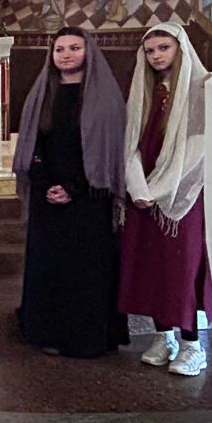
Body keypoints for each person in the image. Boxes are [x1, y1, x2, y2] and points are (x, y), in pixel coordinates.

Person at [12, 27, 129, 358]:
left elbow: (109, 151)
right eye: (60, 49)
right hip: (47, 195)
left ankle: (86, 338)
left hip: (90, 198)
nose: (66, 54)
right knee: (49, 267)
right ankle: (47, 332)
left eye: (74, 47)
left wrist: (74, 187)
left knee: (86, 272)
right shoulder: (42, 94)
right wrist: (47, 183)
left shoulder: (106, 98)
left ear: (88, 51)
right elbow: (33, 145)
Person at [117, 23, 212, 377]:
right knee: (151, 265)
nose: (156, 56)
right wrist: (138, 188)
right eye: (150, 50)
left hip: (182, 195)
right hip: (144, 195)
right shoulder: (146, 92)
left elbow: (199, 150)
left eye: (164, 48)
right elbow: (130, 143)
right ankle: (164, 337)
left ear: (180, 49)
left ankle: (192, 345)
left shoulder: (202, 90)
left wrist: (159, 189)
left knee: (182, 267)